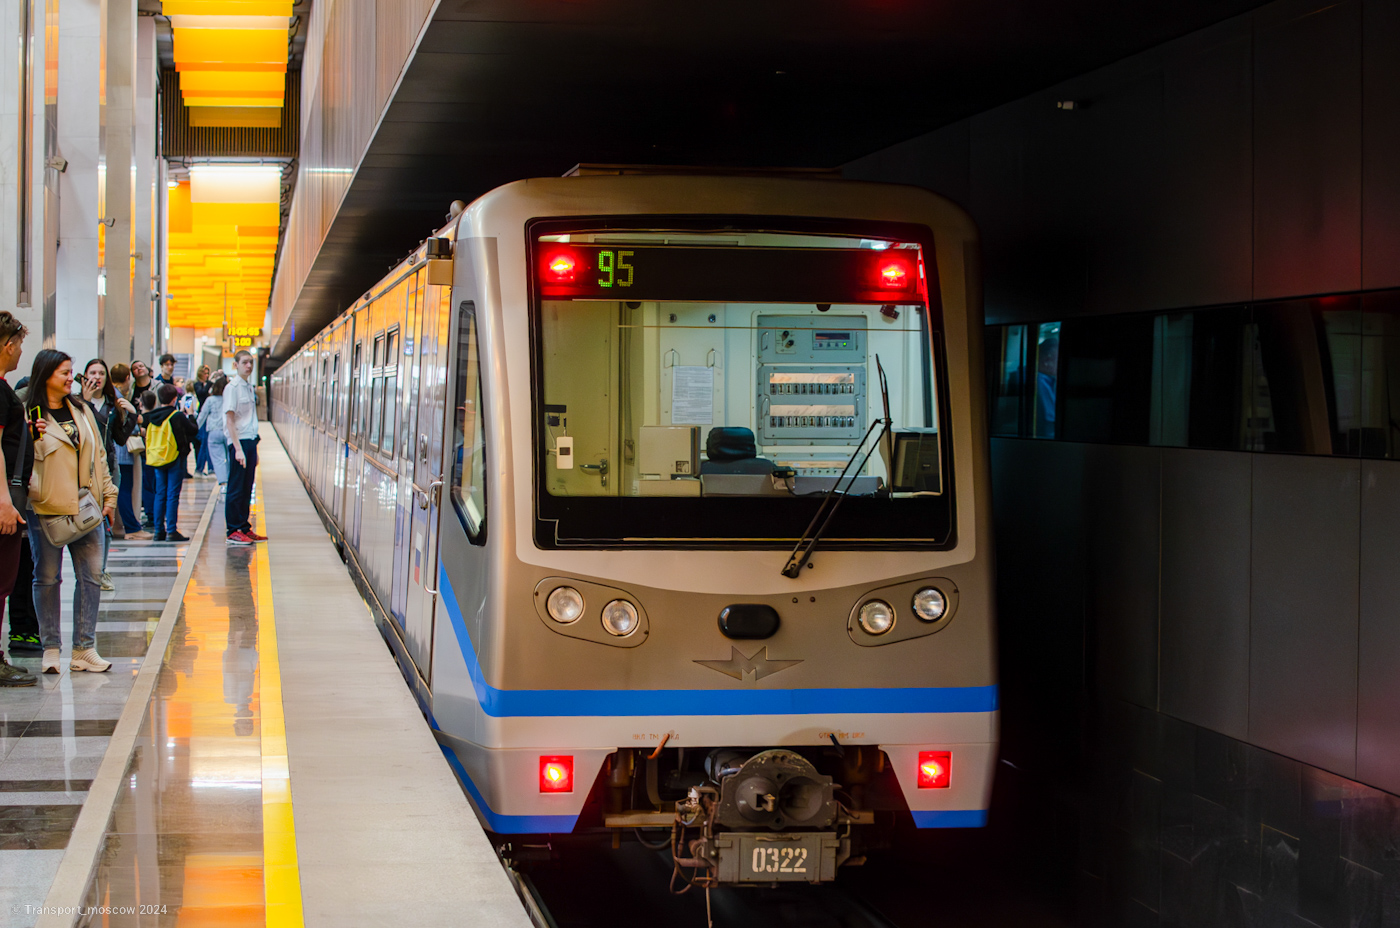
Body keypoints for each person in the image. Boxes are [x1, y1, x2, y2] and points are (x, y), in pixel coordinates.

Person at [26, 349, 118, 674]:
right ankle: (51, 648)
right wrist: (27, 434)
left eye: (70, 372)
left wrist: (109, 495)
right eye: (64, 373)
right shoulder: (30, 413)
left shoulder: (81, 409)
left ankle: (84, 648)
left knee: (91, 577)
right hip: (47, 508)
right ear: (46, 375)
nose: (71, 378)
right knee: (48, 578)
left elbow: (100, 456)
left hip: (86, 506)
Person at [0, 314, 36, 685]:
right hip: (4, 501)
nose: (21, 352)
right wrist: (4, 502)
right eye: (20, 345)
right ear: (9, 345)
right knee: (2, 582)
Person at [80, 359, 136, 589]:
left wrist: (132, 415)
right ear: (84, 376)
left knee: (105, 518)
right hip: (83, 468)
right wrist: (84, 401)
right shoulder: (76, 402)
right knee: (85, 518)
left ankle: (100, 571)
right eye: (92, 372)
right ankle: (87, 571)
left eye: (101, 373)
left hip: (108, 467)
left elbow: (120, 438)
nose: (97, 377)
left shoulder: (112, 404)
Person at [142, 383, 197, 543]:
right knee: (172, 494)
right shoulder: (177, 416)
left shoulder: (151, 416)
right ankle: (171, 530)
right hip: (174, 459)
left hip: (157, 459)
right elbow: (194, 430)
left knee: (160, 493)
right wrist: (191, 415)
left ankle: (159, 531)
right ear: (175, 399)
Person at [224, 350, 265, 545]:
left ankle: (243, 526)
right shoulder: (232, 388)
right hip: (238, 442)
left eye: (251, 363)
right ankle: (232, 530)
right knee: (236, 487)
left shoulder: (249, 387)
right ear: (236, 365)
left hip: (250, 441)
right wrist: (238, 448)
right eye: (245, 363)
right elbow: (230, 421)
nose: (249, 366)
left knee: (247, 487)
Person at [110, 364, 144, 537]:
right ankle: (132, 527)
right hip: (122, 451)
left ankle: (119, 526)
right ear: (127, 378)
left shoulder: (113, 396)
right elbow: (124, 425)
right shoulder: (120, 398)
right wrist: (137, 424)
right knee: (124, 489)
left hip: (118, 450)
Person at [198, 372, 230, 484]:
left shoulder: (210, 400)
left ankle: (223, 482)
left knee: (218, 460)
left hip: (214, 432)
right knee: (230, 457)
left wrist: (194, 428)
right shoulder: (229, 399)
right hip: (229, 432)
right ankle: (231, 479)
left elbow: (202, 416)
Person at [193, 366, 213, 476]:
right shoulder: (197, 386)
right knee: (204, 442)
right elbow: (202, 393)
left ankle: (207, 468)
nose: (206, 375)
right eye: (205, 373)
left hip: (207, 416)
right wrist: (209, 383)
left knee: (206, 443)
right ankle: (200, 468)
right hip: (201, 417)